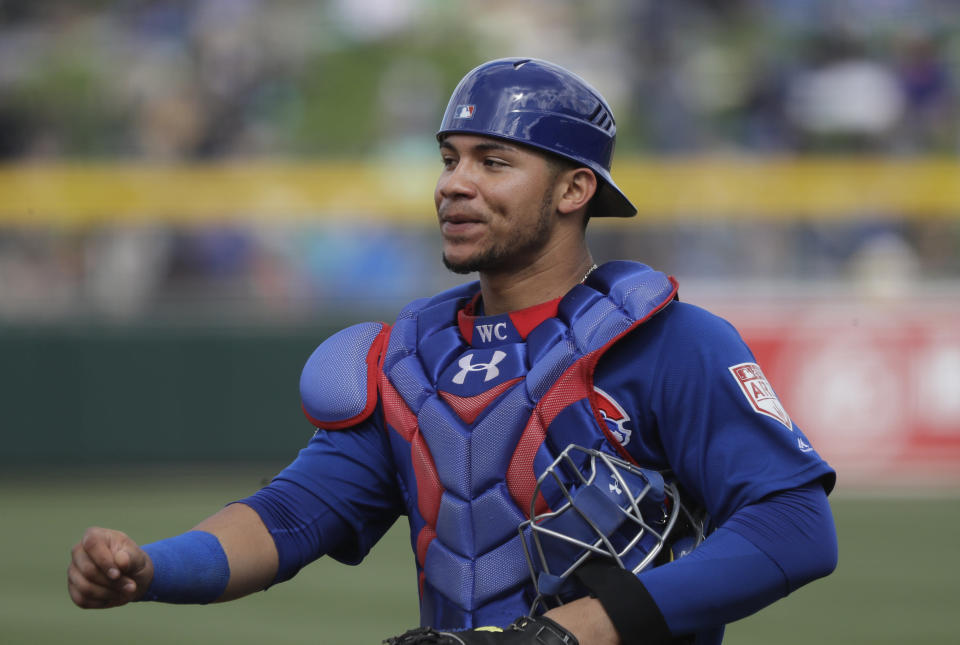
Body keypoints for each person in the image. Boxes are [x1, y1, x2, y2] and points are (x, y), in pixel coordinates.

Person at [68, 58, 838, 645]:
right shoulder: (409, 360)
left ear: (574, 191)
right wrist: (151, 568)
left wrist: (579, 628)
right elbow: (294, 515)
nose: (454, 184)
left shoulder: (668, 341)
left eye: (493, 162)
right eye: (449, 158)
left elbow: (795, 525)